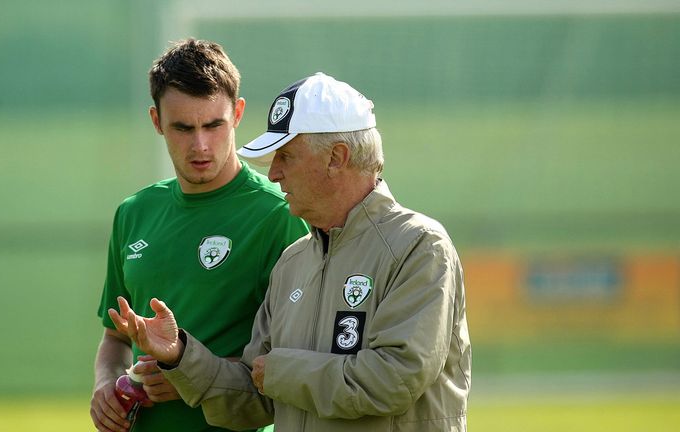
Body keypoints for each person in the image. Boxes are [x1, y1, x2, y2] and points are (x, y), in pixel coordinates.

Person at [109, 72, 472, 431]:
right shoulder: (294, 262)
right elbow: (254, 395)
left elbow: (395, 379)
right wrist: (180, 355)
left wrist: (281, 371)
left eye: (285, 156)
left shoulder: (419, 247)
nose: (274, 174)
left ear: (336, 157)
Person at [90, 39, 309, 432]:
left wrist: (189, 371)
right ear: (156, 121)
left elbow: (296, 357)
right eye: (182, 128)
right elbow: (115, 340)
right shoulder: (134, 213)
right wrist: (107, 384)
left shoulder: (278, 215)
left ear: (238, 114)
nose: (200, 145)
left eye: (213, 124)